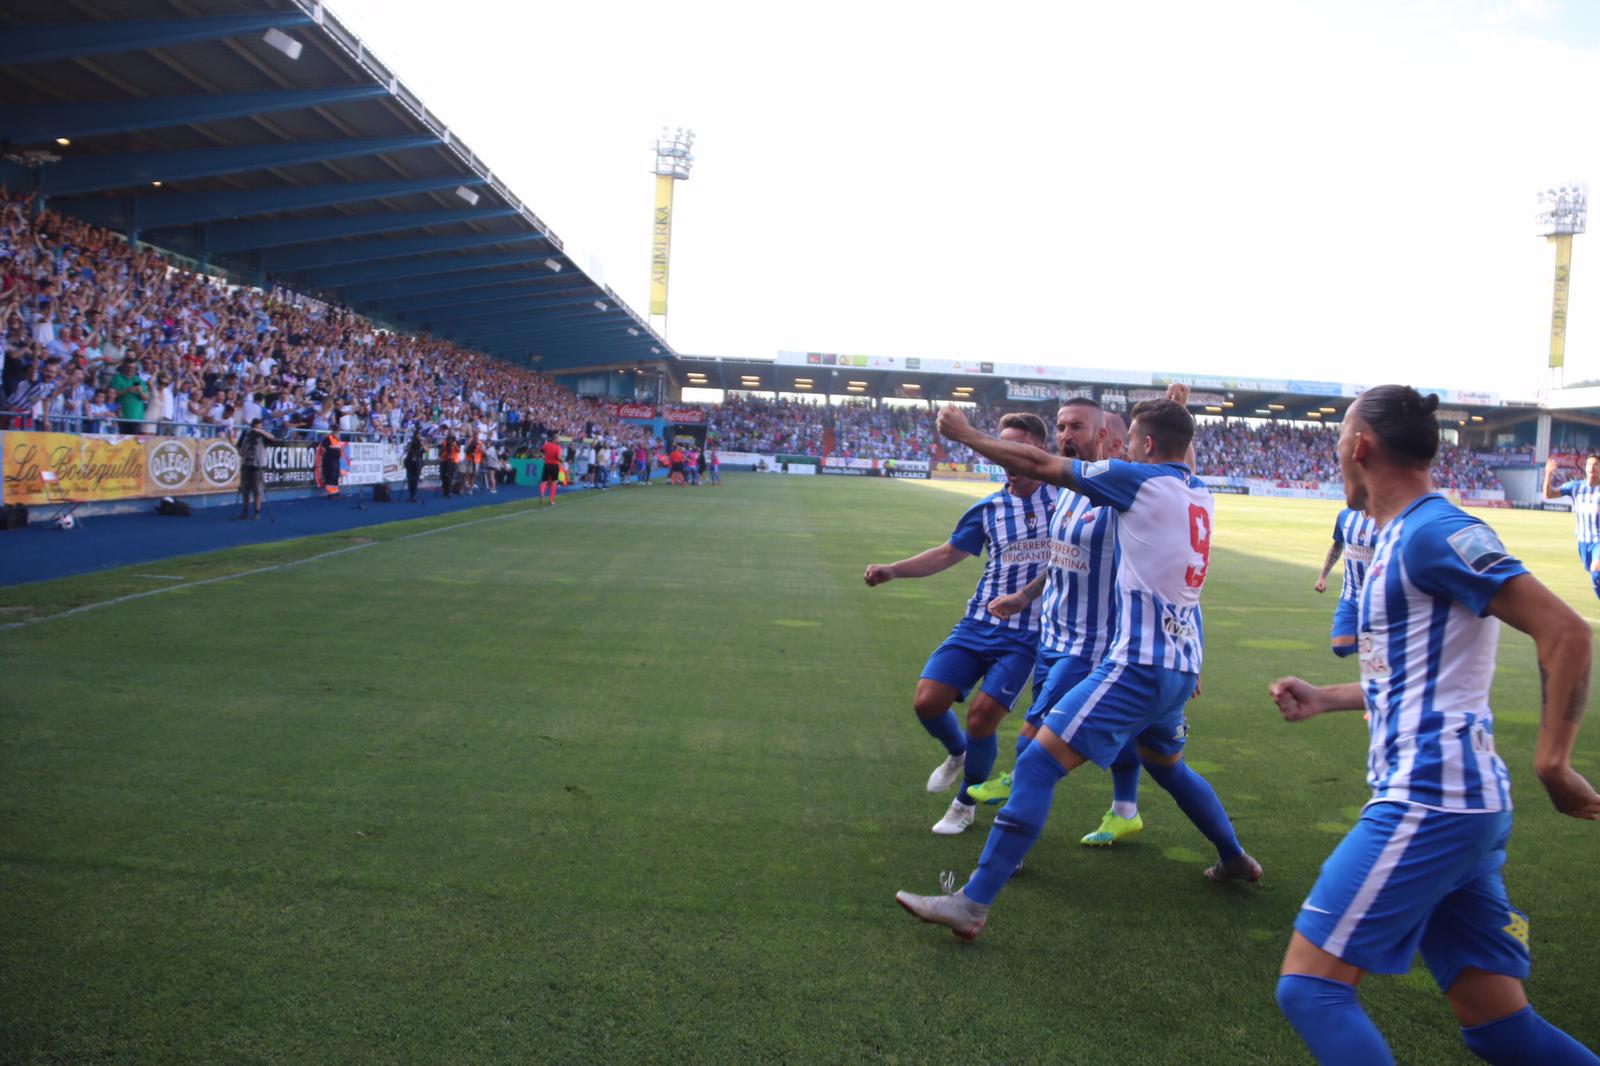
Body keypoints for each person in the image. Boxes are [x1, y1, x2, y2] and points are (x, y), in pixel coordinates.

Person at [1268, 386, 1600, 1066]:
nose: (1335, 458)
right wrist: (1327, 697)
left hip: (1431, 798)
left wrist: (1553, 762)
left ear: (1360, 447)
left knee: (1311, 989)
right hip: (1457, 804)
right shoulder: (1397, 537)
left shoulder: (1432, 530)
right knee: (1498, 1025)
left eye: (1338, 444)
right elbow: (1413, 676)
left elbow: (1566, 630)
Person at [896, 398, 1259, 938]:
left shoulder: (1135, 481)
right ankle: (1234, 857)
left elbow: (1043, 466)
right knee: (1169, 767)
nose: (1129, 447)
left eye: (1134, 439)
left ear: (1147, 447)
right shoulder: (1195, 490)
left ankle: (972, 904)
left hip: (1133, 663)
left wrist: (965, 433)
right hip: (1177, 664)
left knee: (1037, 763)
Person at [863, 413, 1055, 836]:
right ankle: (958, 754)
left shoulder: (1065, 499)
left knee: (983, 718)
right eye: (1000, 445)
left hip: (1028, 634)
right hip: (977, 622)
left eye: (1016, 446)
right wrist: (894, 570)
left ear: (1039, 451)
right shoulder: (988, 507)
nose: (1006, 456)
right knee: (927, 703)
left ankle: (966, 801)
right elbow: (949, 552)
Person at [968, 397, 1146, 847]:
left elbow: (1154, 572)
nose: (1065, 435)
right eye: (1061, 427)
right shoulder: (1067, 489)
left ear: (1108, 437)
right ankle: (1128, 810)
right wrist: (1024, 596)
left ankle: (1006, 850)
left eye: (1077, 427)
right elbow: (1062, 561)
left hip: (1094, 642)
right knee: (1155, 750)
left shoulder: (1120, 492)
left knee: (1037, 741)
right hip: (1054, 632)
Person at [1314, 507, 1379, 656]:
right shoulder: (1345, 516)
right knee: (1340, 647)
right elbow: (1337, 545)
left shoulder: (1388, 518)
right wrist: (1323, 576)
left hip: (1377, 599)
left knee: (1375, 661)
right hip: (1350, 595)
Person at [1542, 452, 1600, 600]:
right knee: (1593, 572)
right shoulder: (1576, 487)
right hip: (1583, 541)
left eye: (1595, 465)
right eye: (1589, 465)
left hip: (1598, 542)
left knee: (1596, 570)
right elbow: (1548, 495)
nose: (1591, 468)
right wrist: (1548, 474)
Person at [235, 417, 276, 520]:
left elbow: (272, 438)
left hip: (259, 465)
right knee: (245, 490)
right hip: (246, 464)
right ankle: (245, 510)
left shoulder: (263, 435)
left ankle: (257, 511)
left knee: (257, 490)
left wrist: (260, 432)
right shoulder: (246, 434)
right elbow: (240, 449)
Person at [315, 425, 344, 497]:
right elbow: (323, 448)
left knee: (336, 475)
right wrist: (327, 456)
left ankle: (336, 492)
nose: (338, 432)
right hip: (330, 460)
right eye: (337, 431)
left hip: (336, 460)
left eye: (339, 431)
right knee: (331, 476)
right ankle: (331, 493)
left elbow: (338, 448)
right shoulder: (328, 438)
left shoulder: (337, 439)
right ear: (333, 431)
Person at [539, 434, 563, 505]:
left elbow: (541, 451)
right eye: (558, 439)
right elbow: (558, 457)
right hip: (554, 465)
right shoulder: (558, 447)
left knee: (544, 481)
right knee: (554, 483)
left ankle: (542, 493)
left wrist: (544, 456)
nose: (559, 440)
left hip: (546, 465)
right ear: (555, 439)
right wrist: (562, 460)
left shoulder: (546, 445)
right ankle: (551, 500)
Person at [404, 429, 425, 503]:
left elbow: (426, 449)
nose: (419, 436)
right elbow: (407, 449)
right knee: (410, 479)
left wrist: (422, 443)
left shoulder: (421, 443)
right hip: (410, 463)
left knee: (415, 480)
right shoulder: (411, 442)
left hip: (417, 463)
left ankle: (414, 495)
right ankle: (411, 495)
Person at [438, 430, 459, 498]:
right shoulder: (444, 441)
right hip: (444, 460)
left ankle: (449, 492)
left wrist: (454, 445)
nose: (450, 435)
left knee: (450, 476)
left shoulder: (456, 442)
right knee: (443, 476)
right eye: (449, 434)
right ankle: (445, 491)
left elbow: (458, 450)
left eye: (451, 434)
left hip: (452, 461)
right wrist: (443, 451)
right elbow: (440, 450)